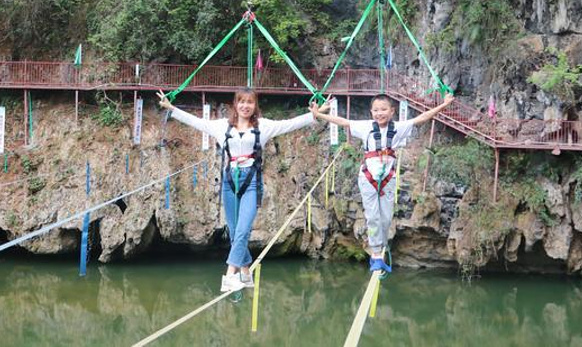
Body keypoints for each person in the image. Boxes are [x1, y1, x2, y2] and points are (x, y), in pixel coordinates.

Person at [157, 88, 329, 292]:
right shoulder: (222, 126)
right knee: (234, 230)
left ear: (255, 106)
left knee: (243, 230)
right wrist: (171, 108)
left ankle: (230, 275)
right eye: (242, 102)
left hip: (251, 182)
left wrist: (314, 115)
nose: (245, 106)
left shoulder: (263, 126)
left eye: (250, 102)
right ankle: (246, 272)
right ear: (235, 104)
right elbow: (197, 123)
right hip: (230, 182)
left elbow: (289, 125)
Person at [310, 93, 454, 275]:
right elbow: (342, 122)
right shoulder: (365, 127)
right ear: (371, 112)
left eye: (384, 109)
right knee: (373, 217)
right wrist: (319, 114)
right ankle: (376, 255)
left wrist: (444, 105)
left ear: (392, 111)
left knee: (386, 217)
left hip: (388, 178)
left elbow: (422, 118)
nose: (380, 113)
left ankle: (382, 246)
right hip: (368, 178)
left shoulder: (398, 128)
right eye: (376, 110)